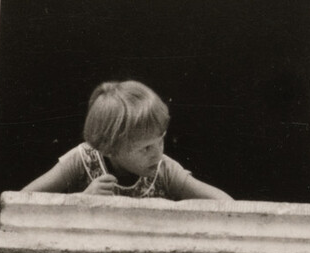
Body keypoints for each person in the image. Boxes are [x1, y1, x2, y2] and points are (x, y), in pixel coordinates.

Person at [20, 80, 231, 201]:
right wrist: (80, 201)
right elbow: (21, 201)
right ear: (109, 148)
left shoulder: (165, 169)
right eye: (146, 147)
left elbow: (225, 205)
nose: (158, 153)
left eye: (161, 140)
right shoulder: (82, 160)